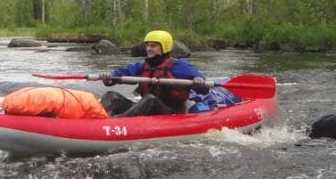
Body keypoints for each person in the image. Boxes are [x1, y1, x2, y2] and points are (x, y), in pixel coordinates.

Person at [99, 30, 237, 117]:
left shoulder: (179, 66)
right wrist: (109, 78)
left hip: (170, 112)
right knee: (111, 96)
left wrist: (198, 81)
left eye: (153, 46)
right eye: (147, 45)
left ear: (164, 47)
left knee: (150, 99)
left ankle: (116, 123)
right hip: (144, 109)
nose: (148, 49)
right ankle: (98, 119)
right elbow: (121, 74)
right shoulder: (142, 66)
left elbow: (203, 89)